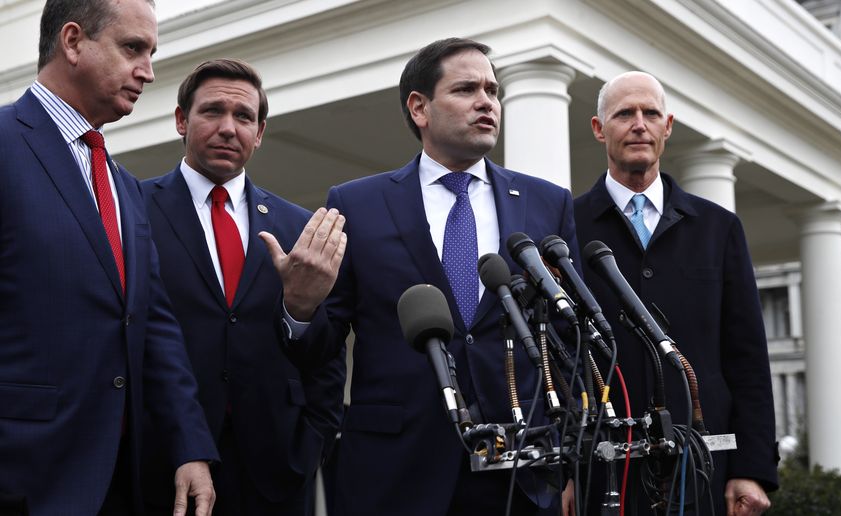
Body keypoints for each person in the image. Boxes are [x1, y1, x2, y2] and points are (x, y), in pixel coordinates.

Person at [322, 38, 579, 516]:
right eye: (466, 89)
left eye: (493, 90)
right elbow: (324, 342)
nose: (486, 102)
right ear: (419, 107)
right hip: (394, 471)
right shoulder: (356, 204)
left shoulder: (548, 204)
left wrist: (568, 462)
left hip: (522, 475)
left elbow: (568, 341)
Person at [0, 1, 219, 515]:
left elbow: (153, 325)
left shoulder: (122, 185)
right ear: (73, 42)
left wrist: (189, 446)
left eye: (151, 53)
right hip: (23, 477)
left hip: (124, 479)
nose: (148, 71)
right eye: (132, 48)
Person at [140, 58, 346, 515]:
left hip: (275, 469)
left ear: (260, 132)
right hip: (159, 463)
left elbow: (327, 354)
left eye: (244, 117)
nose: (228, 128)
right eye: (212, 111)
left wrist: (314, 442)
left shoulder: (299, 226)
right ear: (180, 120)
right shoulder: (133, 209)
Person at [573, 71, 778, 515]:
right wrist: (564, 472)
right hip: (602, 471)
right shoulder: (566, 227)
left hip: (703, 467)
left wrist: (754, 467)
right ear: (598, 128)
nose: (639, 124)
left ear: (668, 126)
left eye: (651, 113)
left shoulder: (720, 228)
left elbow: (747, 359)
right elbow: (558, 358)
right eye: (624, 113)